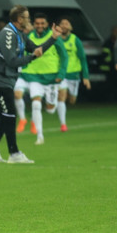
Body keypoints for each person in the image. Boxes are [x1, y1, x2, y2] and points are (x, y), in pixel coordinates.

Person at [0, 5, 61, 164]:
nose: (29, 20)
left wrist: (53, 38)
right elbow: (11, 61)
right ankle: (14, 153)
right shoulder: (8, 35)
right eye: (27, 17)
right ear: (19, 19)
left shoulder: (20, 35)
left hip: (7, 80)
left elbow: (36, 49)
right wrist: (32, 57)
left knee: (6, 117)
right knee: (9, 115)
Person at [14, 13, 67, 145]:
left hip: (51, 78)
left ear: (47, 24)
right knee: (36, 104)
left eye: (42, 23)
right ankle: (40, 136)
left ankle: (50, 105)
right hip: (34, 77)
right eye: (37, 23)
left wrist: (61, 74)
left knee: (50, 109)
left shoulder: (54, 37)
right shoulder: (29, 36)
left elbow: (64, 56)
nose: (39, 26)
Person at [56, 18, 91, 131]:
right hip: (61, 74)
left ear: (70, 27)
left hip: (74, 75)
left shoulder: (75, 40)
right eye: (62, 23)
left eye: (67, 24)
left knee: (72, 100)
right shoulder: (55, 39)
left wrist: (85, 76)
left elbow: (82, 58)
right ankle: (63, 124)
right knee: (62, 96)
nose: (64, 25)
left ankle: (67, 101)